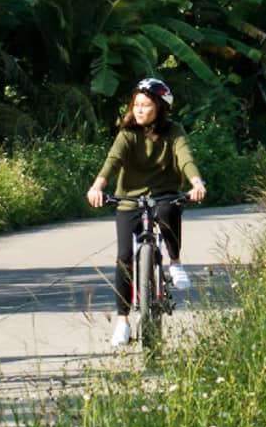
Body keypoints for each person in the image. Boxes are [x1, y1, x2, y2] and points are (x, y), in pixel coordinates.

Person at [86, 76, 206, 348]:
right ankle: (123, 321)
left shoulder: (174, 131)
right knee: (124, 257)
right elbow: (112, 162)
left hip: (164, 194)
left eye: (146, 105)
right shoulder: (127, 133)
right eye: (136, 104)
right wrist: (96, 187)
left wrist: (196, 182)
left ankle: (175, 263)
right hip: (128, 199)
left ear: (161, 107)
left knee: (169, 209)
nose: (138, 110)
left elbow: (185, 157)